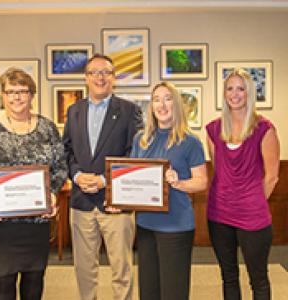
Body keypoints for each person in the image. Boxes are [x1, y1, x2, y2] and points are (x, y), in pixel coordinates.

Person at [0, 67, 68, 300]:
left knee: (34, 282)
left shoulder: (47, 128)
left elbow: (60, 167)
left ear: (32, 95)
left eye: (23, 91)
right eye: (10, 92)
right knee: (2, 284)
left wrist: (52, 193)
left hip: (35, 221)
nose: (16, 97)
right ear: (2, 95)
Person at [63, 53, 143, 300]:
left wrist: (105, 180)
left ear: (114, 78)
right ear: (86, 79)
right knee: (85, 270)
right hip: (81, 203)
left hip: (115, 203)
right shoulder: (74, 110)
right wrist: (76, 176)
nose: (100, 77)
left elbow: (135, 153)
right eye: (94, 72)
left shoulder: (130, 111)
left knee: (122, 269)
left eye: (106, 72)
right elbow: (66, 150)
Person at [206, 68, 280, 300]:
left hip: (253, 216)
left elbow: (272, 177)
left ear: (250, 93)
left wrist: (251, 202)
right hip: (218, 214)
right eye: (230, 88)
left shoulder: (264, 129)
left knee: (258, 278)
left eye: (241, 88)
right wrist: (231, 199)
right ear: (224, 93)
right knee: (228, 275)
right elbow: (220, 170)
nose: (235, 94)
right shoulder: (213, 130)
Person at [130, 82, 208, 300]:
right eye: (156, 99)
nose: (161, 104)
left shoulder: (190, 141)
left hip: (176, 226)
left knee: (173, 293)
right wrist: (119, 201)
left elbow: (201, 182)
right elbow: (135, 180)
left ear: (177, 104)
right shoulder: (141, 140)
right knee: (149, 291)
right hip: (145, 225)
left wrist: (179, 183)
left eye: (167, 98)